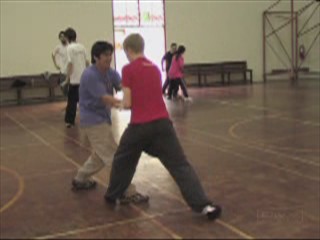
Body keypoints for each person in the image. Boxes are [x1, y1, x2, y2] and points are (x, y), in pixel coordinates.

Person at [104, 33, 222, 220]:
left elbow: (127, 103)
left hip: (139, 128)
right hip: (162, 126)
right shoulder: (154, 69)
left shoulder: (128, 69)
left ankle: (113, 195)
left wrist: (115, 103)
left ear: (128, 50)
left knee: (122, 160)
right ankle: (204, 205)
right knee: (180, 166)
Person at [72, 41, 149, 203]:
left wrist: (137, 92)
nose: (109, 58)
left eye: (110, 54)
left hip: (102, 118)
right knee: (114, 156)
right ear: (95, 57)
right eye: (105, 55)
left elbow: (122, 85)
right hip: (93, 121)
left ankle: (80, 179)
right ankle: (127, 191)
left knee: (100, 156)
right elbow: (106, 98)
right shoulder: (90, 75)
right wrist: (126, 104)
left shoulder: (109, 72)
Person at [64, 27, 89, 128]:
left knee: (72, 101)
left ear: (67, 38)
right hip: (83, 78)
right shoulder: (82, 47)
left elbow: (70, 64)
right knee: (84, 100)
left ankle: (70, 121)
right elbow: (87, 62)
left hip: (74, 79)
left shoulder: (69, 48)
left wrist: (67, 79)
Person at [52, 31, 69, 96]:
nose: (62, 38)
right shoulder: (58, 47)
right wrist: (56, 65)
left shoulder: (69, 46)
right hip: (63, 70)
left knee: (72, 88)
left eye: (63, 36)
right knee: (64, 88)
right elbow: (53, 54)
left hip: (70, 70)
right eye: (61, 37)